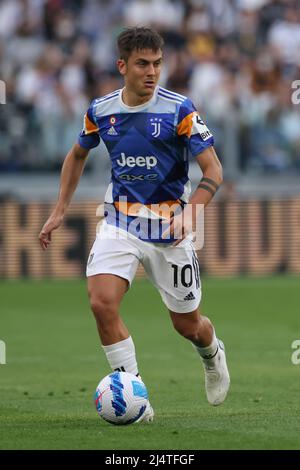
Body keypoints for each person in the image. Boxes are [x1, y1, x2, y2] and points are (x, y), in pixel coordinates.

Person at [39, 26, 230, 422]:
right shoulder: (102, 111)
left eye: (158, 63)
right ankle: (134, 396)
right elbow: (76, 155)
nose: (152, 72)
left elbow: (213, 169)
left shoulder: (180, 110)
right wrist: (60, 209)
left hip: (169, 228)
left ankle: (212, 354)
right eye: (143, 64)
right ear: (122, 66)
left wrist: (191, 212)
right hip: (120, 221)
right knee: (101, 302)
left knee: (188, 325)